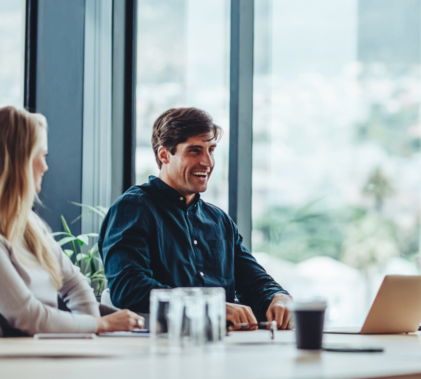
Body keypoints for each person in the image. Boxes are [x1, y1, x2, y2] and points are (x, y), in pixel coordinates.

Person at [0, 106, 144, 335]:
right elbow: (28, 317)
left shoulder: (27, 222)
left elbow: (74, 283)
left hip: (39, 350)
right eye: (42, 155)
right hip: (2, 363)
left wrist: (90, 332)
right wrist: (101, 324)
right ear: (19, 162)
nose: (46, 166)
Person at [99, 107, 292, 330]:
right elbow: (129, 288)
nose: (208, 162)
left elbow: (254, 281)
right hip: (157, 349)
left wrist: (278, 296)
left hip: (223, 348)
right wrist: (210, 306)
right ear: (164, 155)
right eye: (194, 151)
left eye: (211, 150)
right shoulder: (133, 208)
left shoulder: (219, 220)